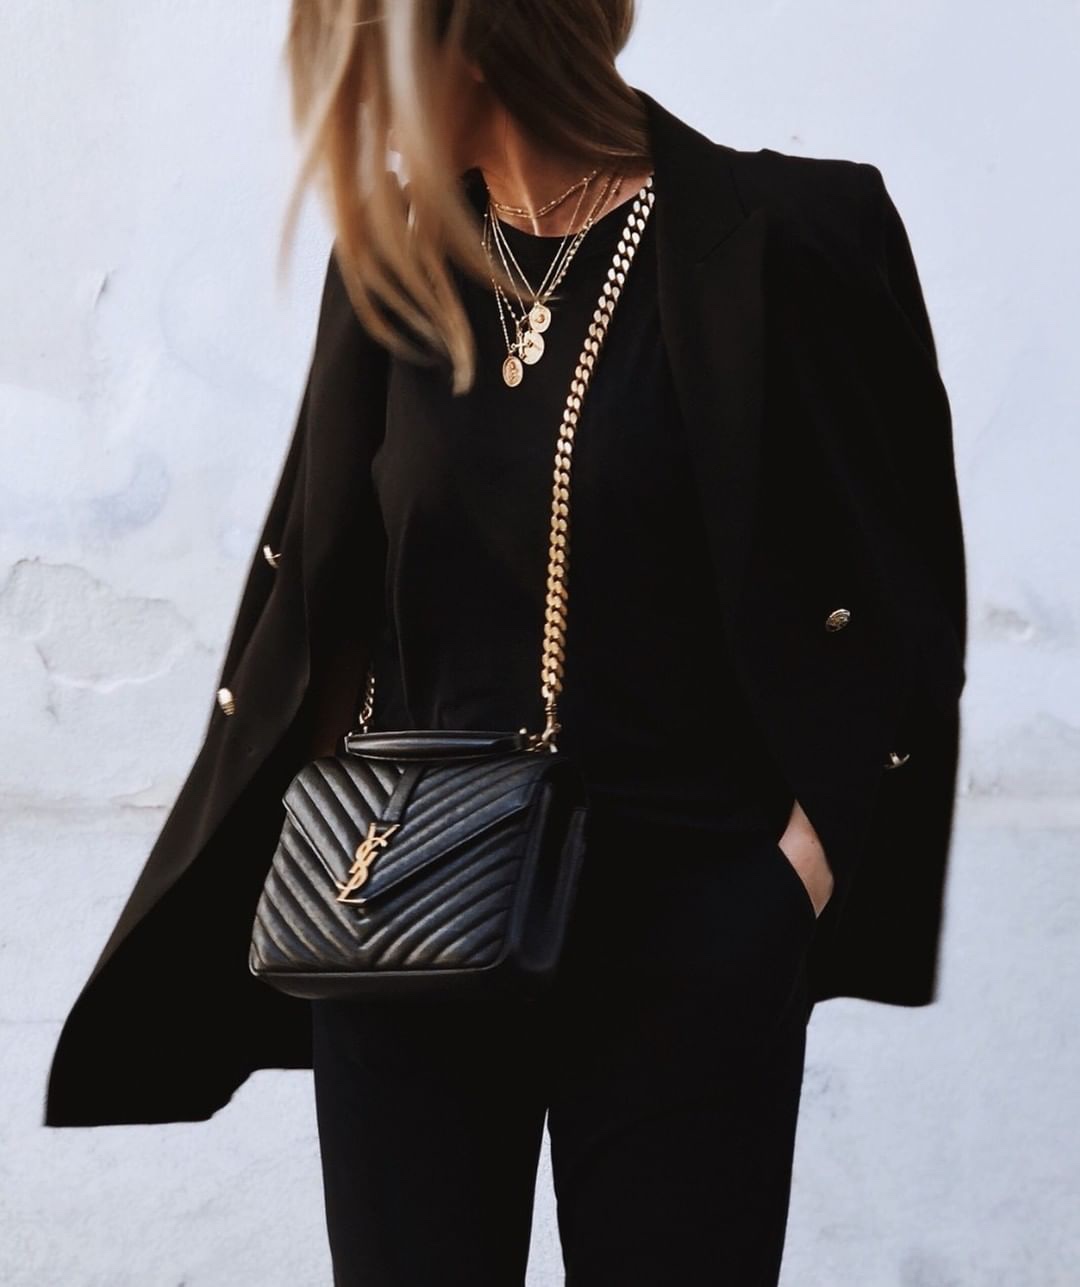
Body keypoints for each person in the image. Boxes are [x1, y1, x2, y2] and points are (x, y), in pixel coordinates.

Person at [43, 3, 968, 1285]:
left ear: (471, 37)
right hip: (410, 921)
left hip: (691, 926)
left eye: (362, 52)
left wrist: (789, 881)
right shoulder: (392, 262)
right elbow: (329, 597)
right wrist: (333, 864)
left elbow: (904, 591)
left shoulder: (790, 237)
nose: (347, 100)